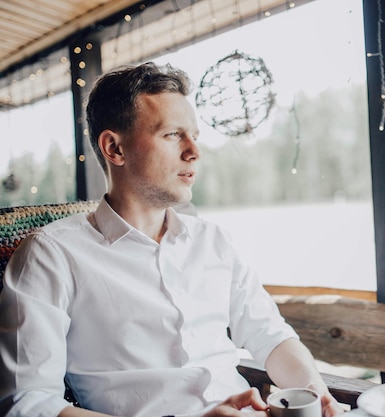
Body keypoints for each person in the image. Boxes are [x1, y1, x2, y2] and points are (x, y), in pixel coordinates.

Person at [0, 62, 344, 417]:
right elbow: (27, 404)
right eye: (172, 135)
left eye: (194, 134)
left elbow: (270, 336)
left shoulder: (213, 241)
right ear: (114, 149)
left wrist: (313, 390)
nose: (194, 151)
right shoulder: (50, 255)